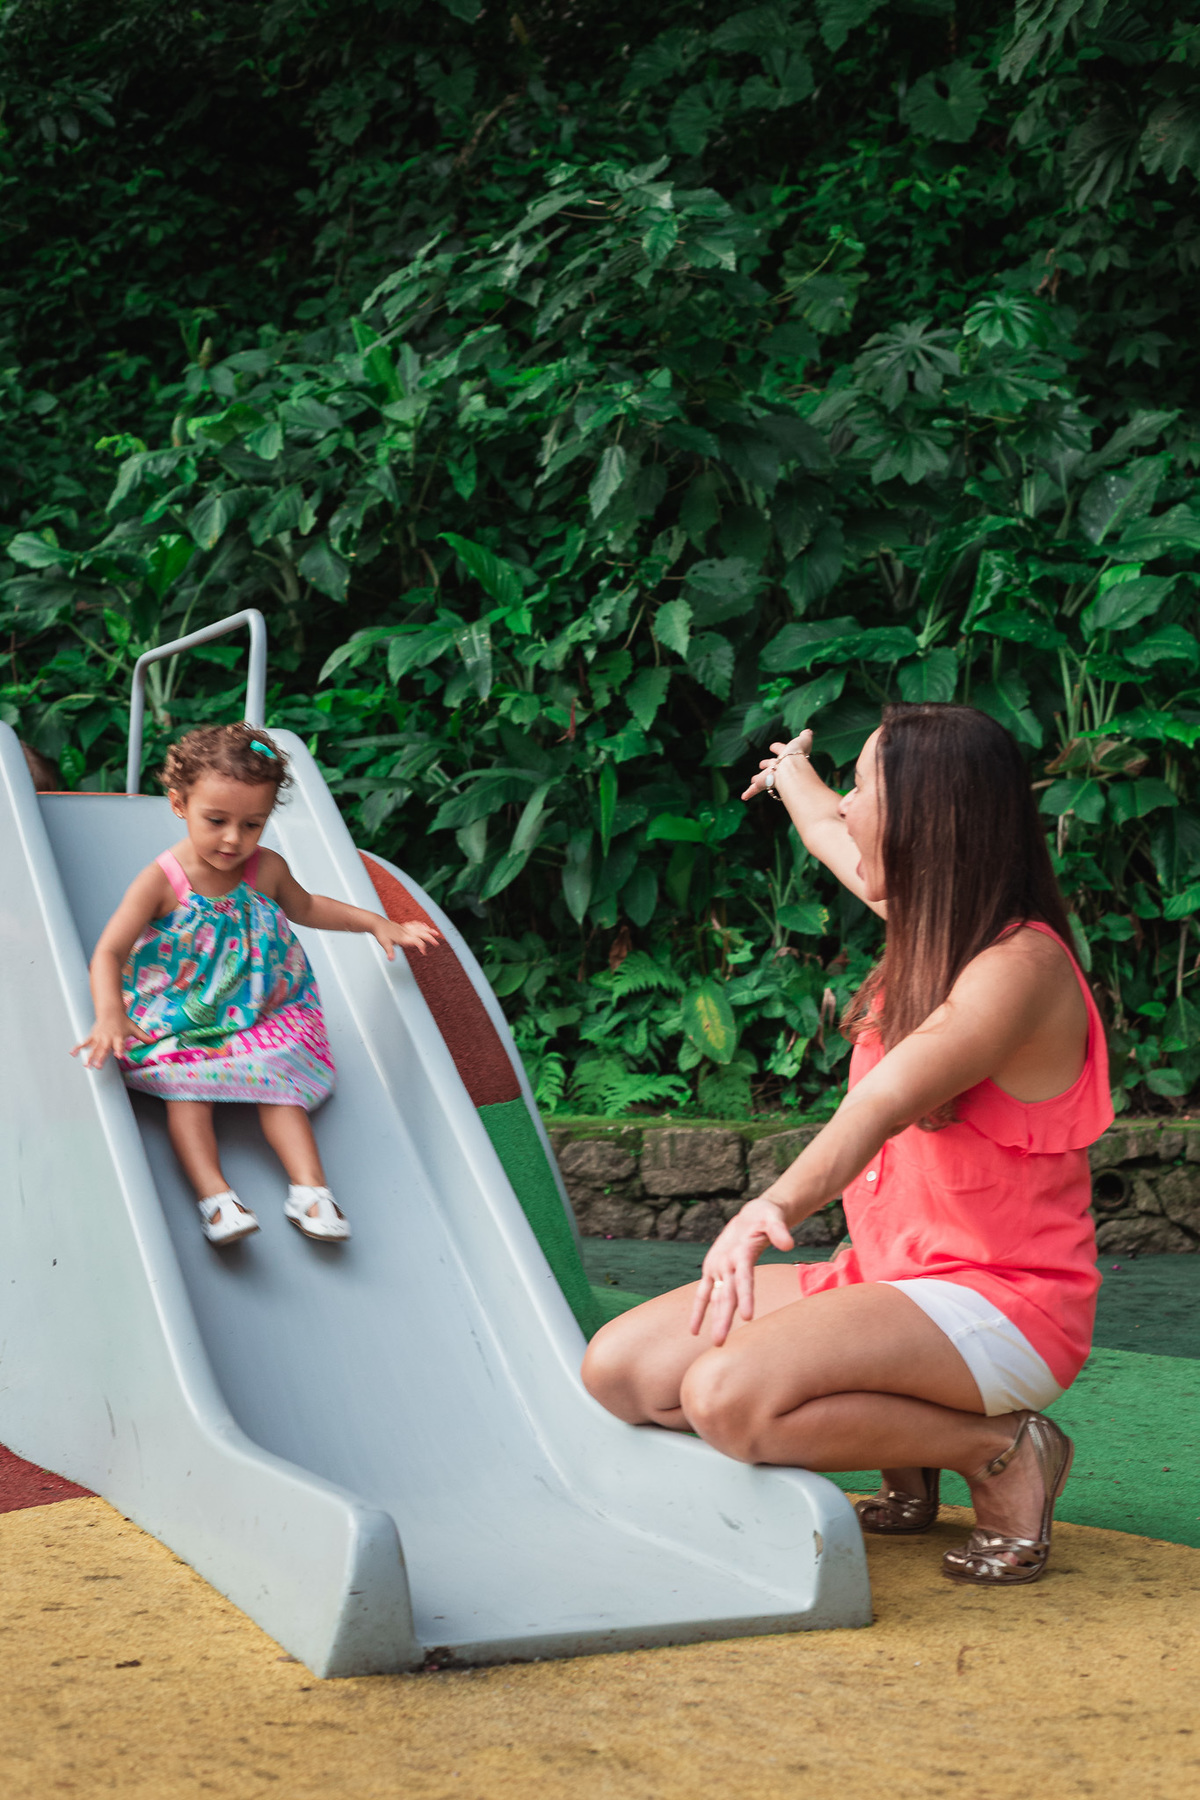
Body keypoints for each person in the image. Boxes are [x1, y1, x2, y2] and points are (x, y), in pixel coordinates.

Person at [583, 702, 1112, 1587]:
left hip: (1004, 1303)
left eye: (868, 788)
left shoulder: (1019, 970)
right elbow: (834, 830)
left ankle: (999, 1450)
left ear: (923, 822)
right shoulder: (929, 914)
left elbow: (882, 1105)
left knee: (727, 1399)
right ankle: (900, 1443)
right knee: (621, 1372)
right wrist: (794, 773)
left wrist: (771, 1206)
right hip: (890, 1280)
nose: (851, 807)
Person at [71, 723, 439, 1246]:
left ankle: (310, 1189)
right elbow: (108, 950)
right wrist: (110, 1011)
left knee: (281, 1085)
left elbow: (307, 906)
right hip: (182, 1009)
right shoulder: (161, 879)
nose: (233, 839)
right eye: (216, 820)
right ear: (179, 803)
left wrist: (378, 923)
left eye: (252, 824)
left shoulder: (265, 869)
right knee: (187, 1094)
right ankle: (215, 1197)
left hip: (257, 1006)